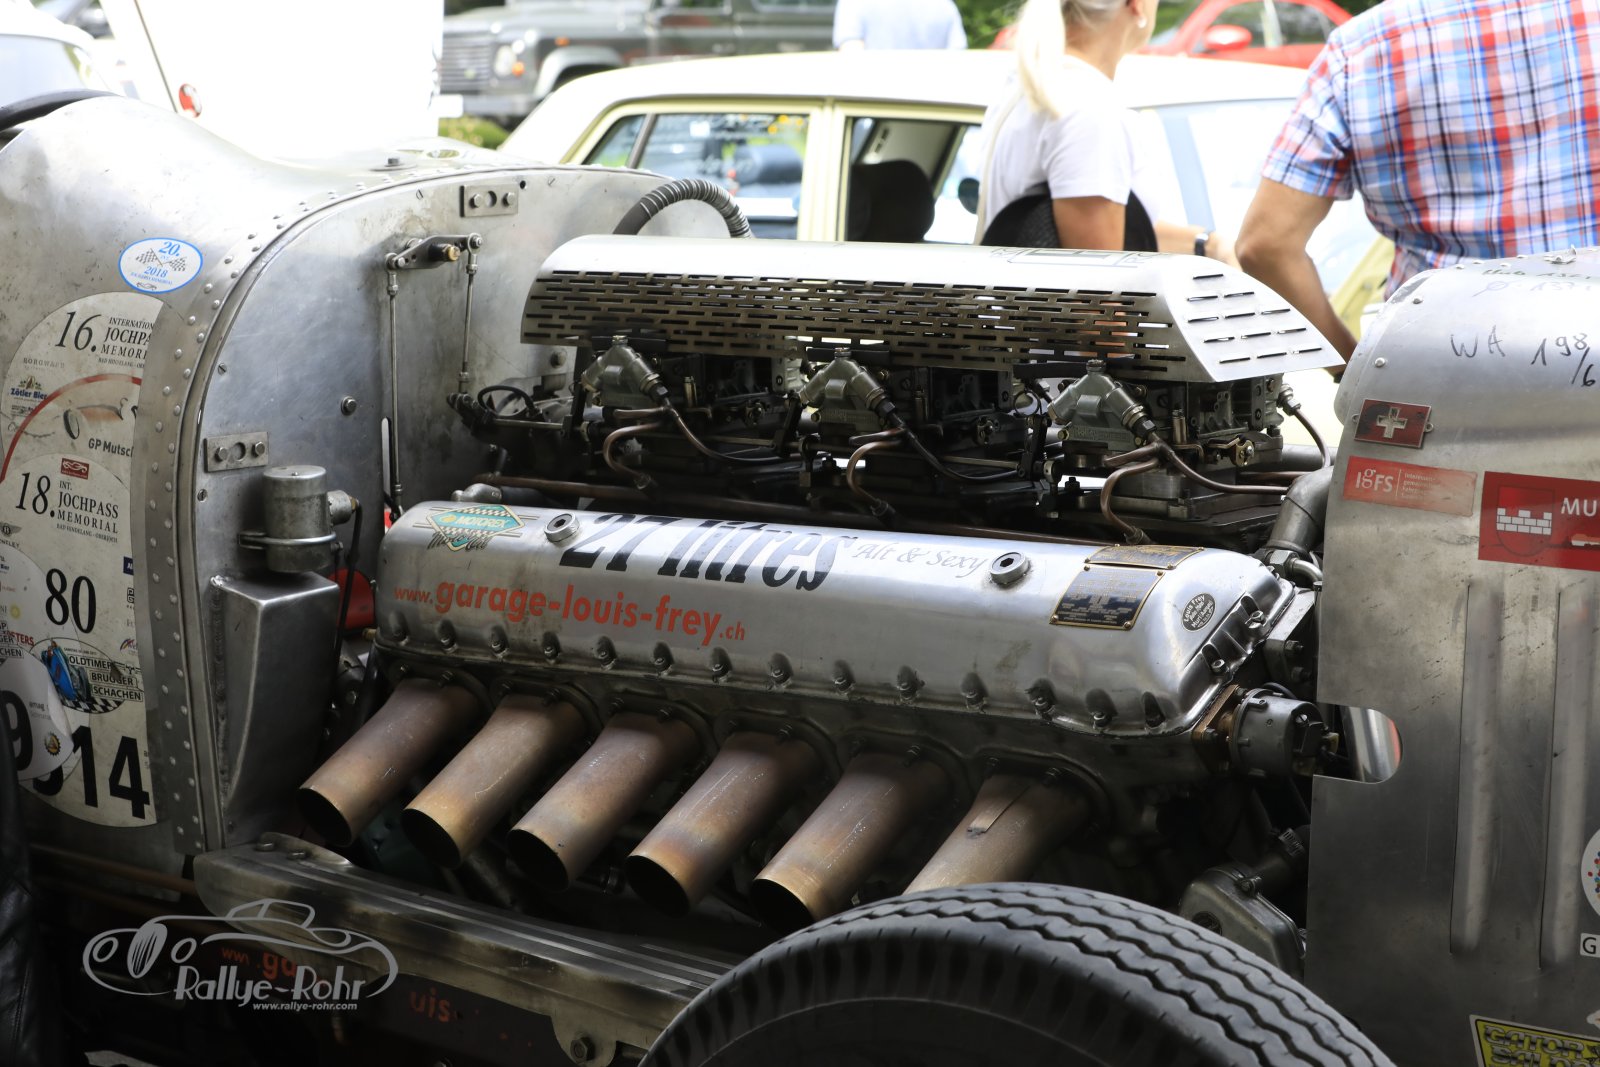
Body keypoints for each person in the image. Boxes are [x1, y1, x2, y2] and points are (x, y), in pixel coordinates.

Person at [1237, 0, 1600, 365]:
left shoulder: (1361, 49)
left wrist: (1350, 370)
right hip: (1589, 360)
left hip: (1432, 374)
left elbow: (1266, 243)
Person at [975, 0, 1231, 260]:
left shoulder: (1038, 87)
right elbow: (1099, 275)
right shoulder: (1088, 109)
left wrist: (1207, 245)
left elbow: (1101, 227)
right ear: (1136, 5)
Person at [833, 0, 967, 51]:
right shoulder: (945, 5)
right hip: (933, 102)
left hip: (876, 101)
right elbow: (958, 60)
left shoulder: (853, 3)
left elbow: (851, 60)